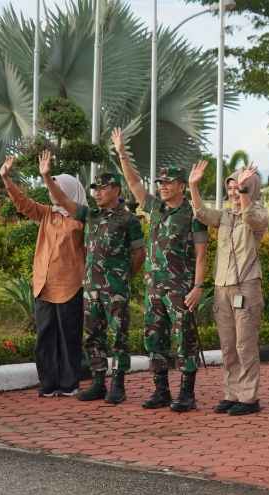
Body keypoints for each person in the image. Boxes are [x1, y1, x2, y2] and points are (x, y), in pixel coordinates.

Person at [35, 152, 146, 404]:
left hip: (115, 288)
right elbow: (62, 199)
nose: (97, 193)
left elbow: (139, 253)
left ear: (116, 190)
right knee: (93, 336)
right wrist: (46, 177)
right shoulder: (90, 215)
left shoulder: (128, 219)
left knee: (118, 336)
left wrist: (124, 278)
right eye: (94, 188)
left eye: (102, 188)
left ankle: (118, 384)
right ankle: (98, 382)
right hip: (91, 288)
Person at [112, 128, 208, 411]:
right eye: (160, 182)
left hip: (181, 290)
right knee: (154, 339)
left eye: (168, 183)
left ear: (181, 185)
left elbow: (203, 254)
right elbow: (133, 184)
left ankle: (187, 394)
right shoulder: (155, 208)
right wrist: (121, 153)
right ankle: (161, 390)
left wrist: (199, 287)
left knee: (184, 341)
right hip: (154, 290)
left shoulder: (194, 215)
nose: (162, 186)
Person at [0, 155, 85, 397]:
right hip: (43, 286)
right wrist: (6, 178)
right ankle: (48, 383)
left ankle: (69, 384)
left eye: (56, 188)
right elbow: (23, 203)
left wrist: (47, 176)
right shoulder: (47, 214)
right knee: (45, 337)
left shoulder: (81, 218)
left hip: (70, 286)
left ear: (67, 190)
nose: (52, 193)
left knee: (69, 337)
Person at [190, 165, 269, 416]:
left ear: (251, 189)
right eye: (231, 188)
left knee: (245, 344)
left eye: (239, 188)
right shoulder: (224, 216)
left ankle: (248, 397)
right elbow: (201, 213)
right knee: (228, 345)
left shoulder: (258, 213)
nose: (234, 192)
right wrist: (193, 186)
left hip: (245, 286)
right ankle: (231, 393)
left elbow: (250, 216)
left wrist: (245, 189)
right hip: (222, 287)